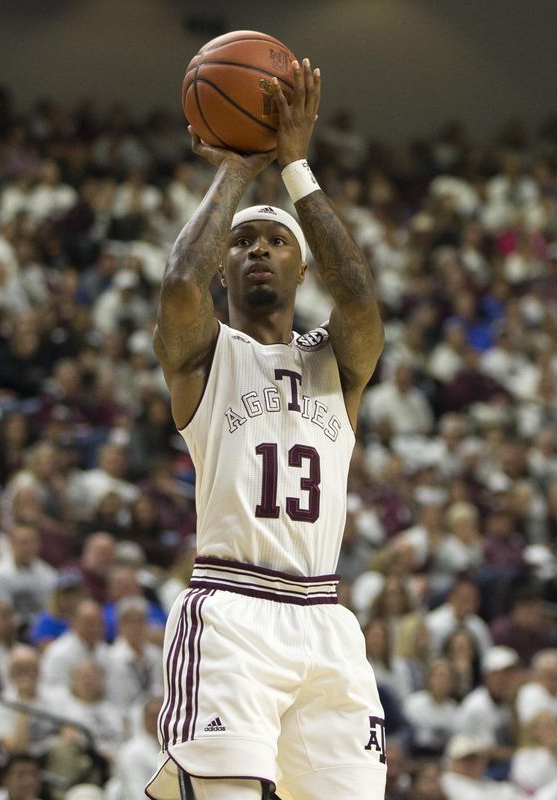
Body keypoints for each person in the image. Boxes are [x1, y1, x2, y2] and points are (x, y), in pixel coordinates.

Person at [147, 59, 387, 800]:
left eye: (275, 242)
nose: (257, 250)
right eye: (243, 243)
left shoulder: (338, 363)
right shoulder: (205, 354)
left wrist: (295, 169)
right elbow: (179, 285)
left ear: (301, 268)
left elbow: (361, 297)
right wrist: (238, 171)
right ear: (227, 267)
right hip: (232, 613)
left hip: (324, 618)